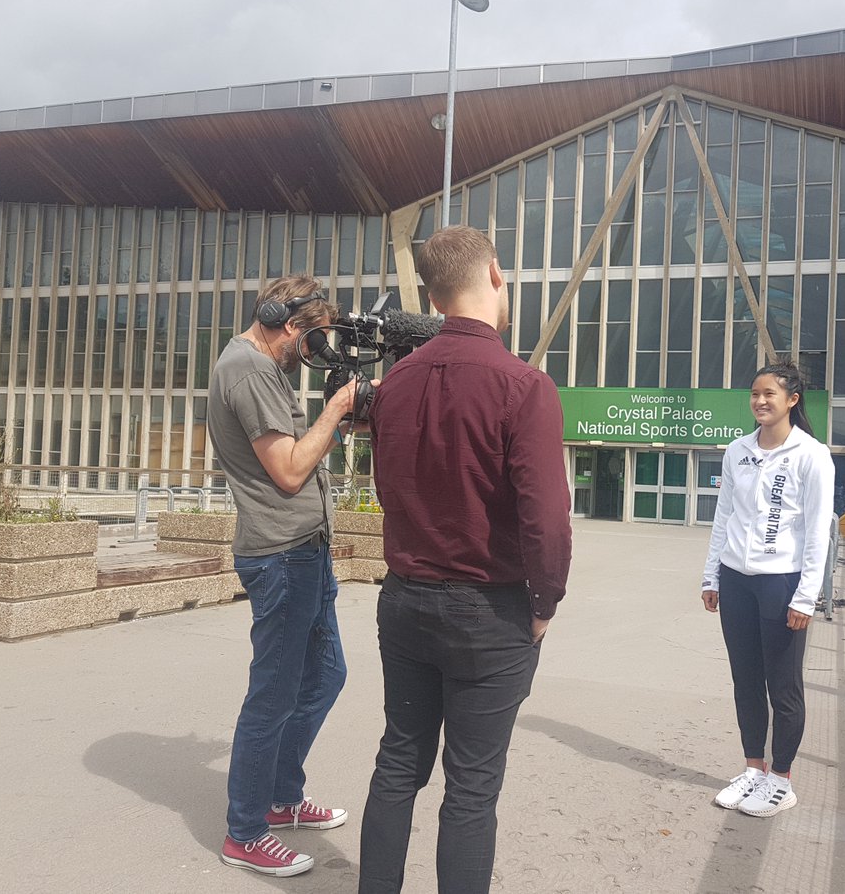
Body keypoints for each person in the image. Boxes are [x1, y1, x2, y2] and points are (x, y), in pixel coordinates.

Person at [359, 225, 573, 894]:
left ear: (430, 294)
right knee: (473, 788)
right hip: (491, 610)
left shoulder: (394, 384)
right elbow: (546, 519)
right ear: (496, 277)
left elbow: (386, 486)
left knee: (399, 762)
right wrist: (543, 606)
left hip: (405, 598)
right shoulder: (523, 385)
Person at [207, 274, 360, 877]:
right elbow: (290, 471)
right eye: (312, 340)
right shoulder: (248, 370)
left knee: (325, 675)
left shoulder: (260, 368)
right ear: (290, 325)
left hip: (304, 551)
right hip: (281, 555)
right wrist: (336, 409)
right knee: (272, 693)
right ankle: (245, 831)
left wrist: (337, 427)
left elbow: (298, 447)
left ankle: (278, 798)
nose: (313, 353)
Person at [700, 361, 835, 818]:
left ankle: (781, 779)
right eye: (754, 393)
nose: (759, 401)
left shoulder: (811, 455)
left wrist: (806, 596)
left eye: (769, 394)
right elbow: (724, 517)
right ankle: (753, 769)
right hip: (737, 580)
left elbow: (819, 532)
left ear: (792, 400)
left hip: (782, 584)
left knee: (783, 685)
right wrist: (711, 575)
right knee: (745, 681)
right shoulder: (737, 451)